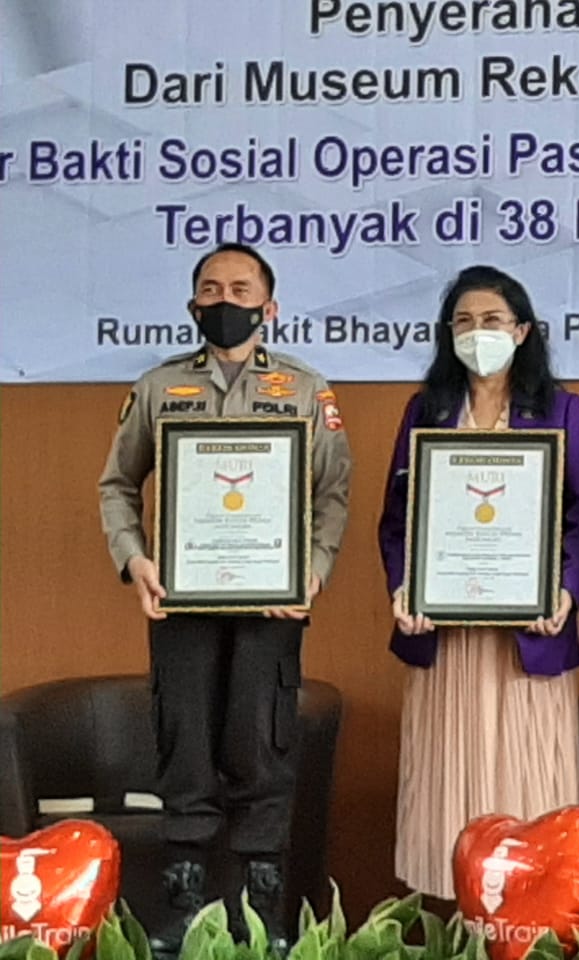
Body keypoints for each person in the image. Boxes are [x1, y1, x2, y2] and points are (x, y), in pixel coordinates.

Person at [97, 242, 352, 954]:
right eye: (211, 289)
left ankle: (262, 912)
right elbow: (117, 485)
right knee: (184, 745)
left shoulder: (306, 390)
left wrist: (313, 572)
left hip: (272, 606)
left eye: (241, 289)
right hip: (183, 604)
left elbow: (332, 493)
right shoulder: (158, 388)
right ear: (192, 305)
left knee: (261, 745)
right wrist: (136, 561)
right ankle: (184, 907)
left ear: (270, 307)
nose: (225, 300)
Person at [377, 265, 579, 906]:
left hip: (527, 642)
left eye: (493, 320)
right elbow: (397, 522)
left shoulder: (561, 410)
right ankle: (455, 933)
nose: (478, 333)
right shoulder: (425, 411)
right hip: (444, 644)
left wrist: (564, 593)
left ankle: (528, 925)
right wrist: (404, 588)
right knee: (446, 799)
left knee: (526, 799)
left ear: (522, 330)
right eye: (464, 322)